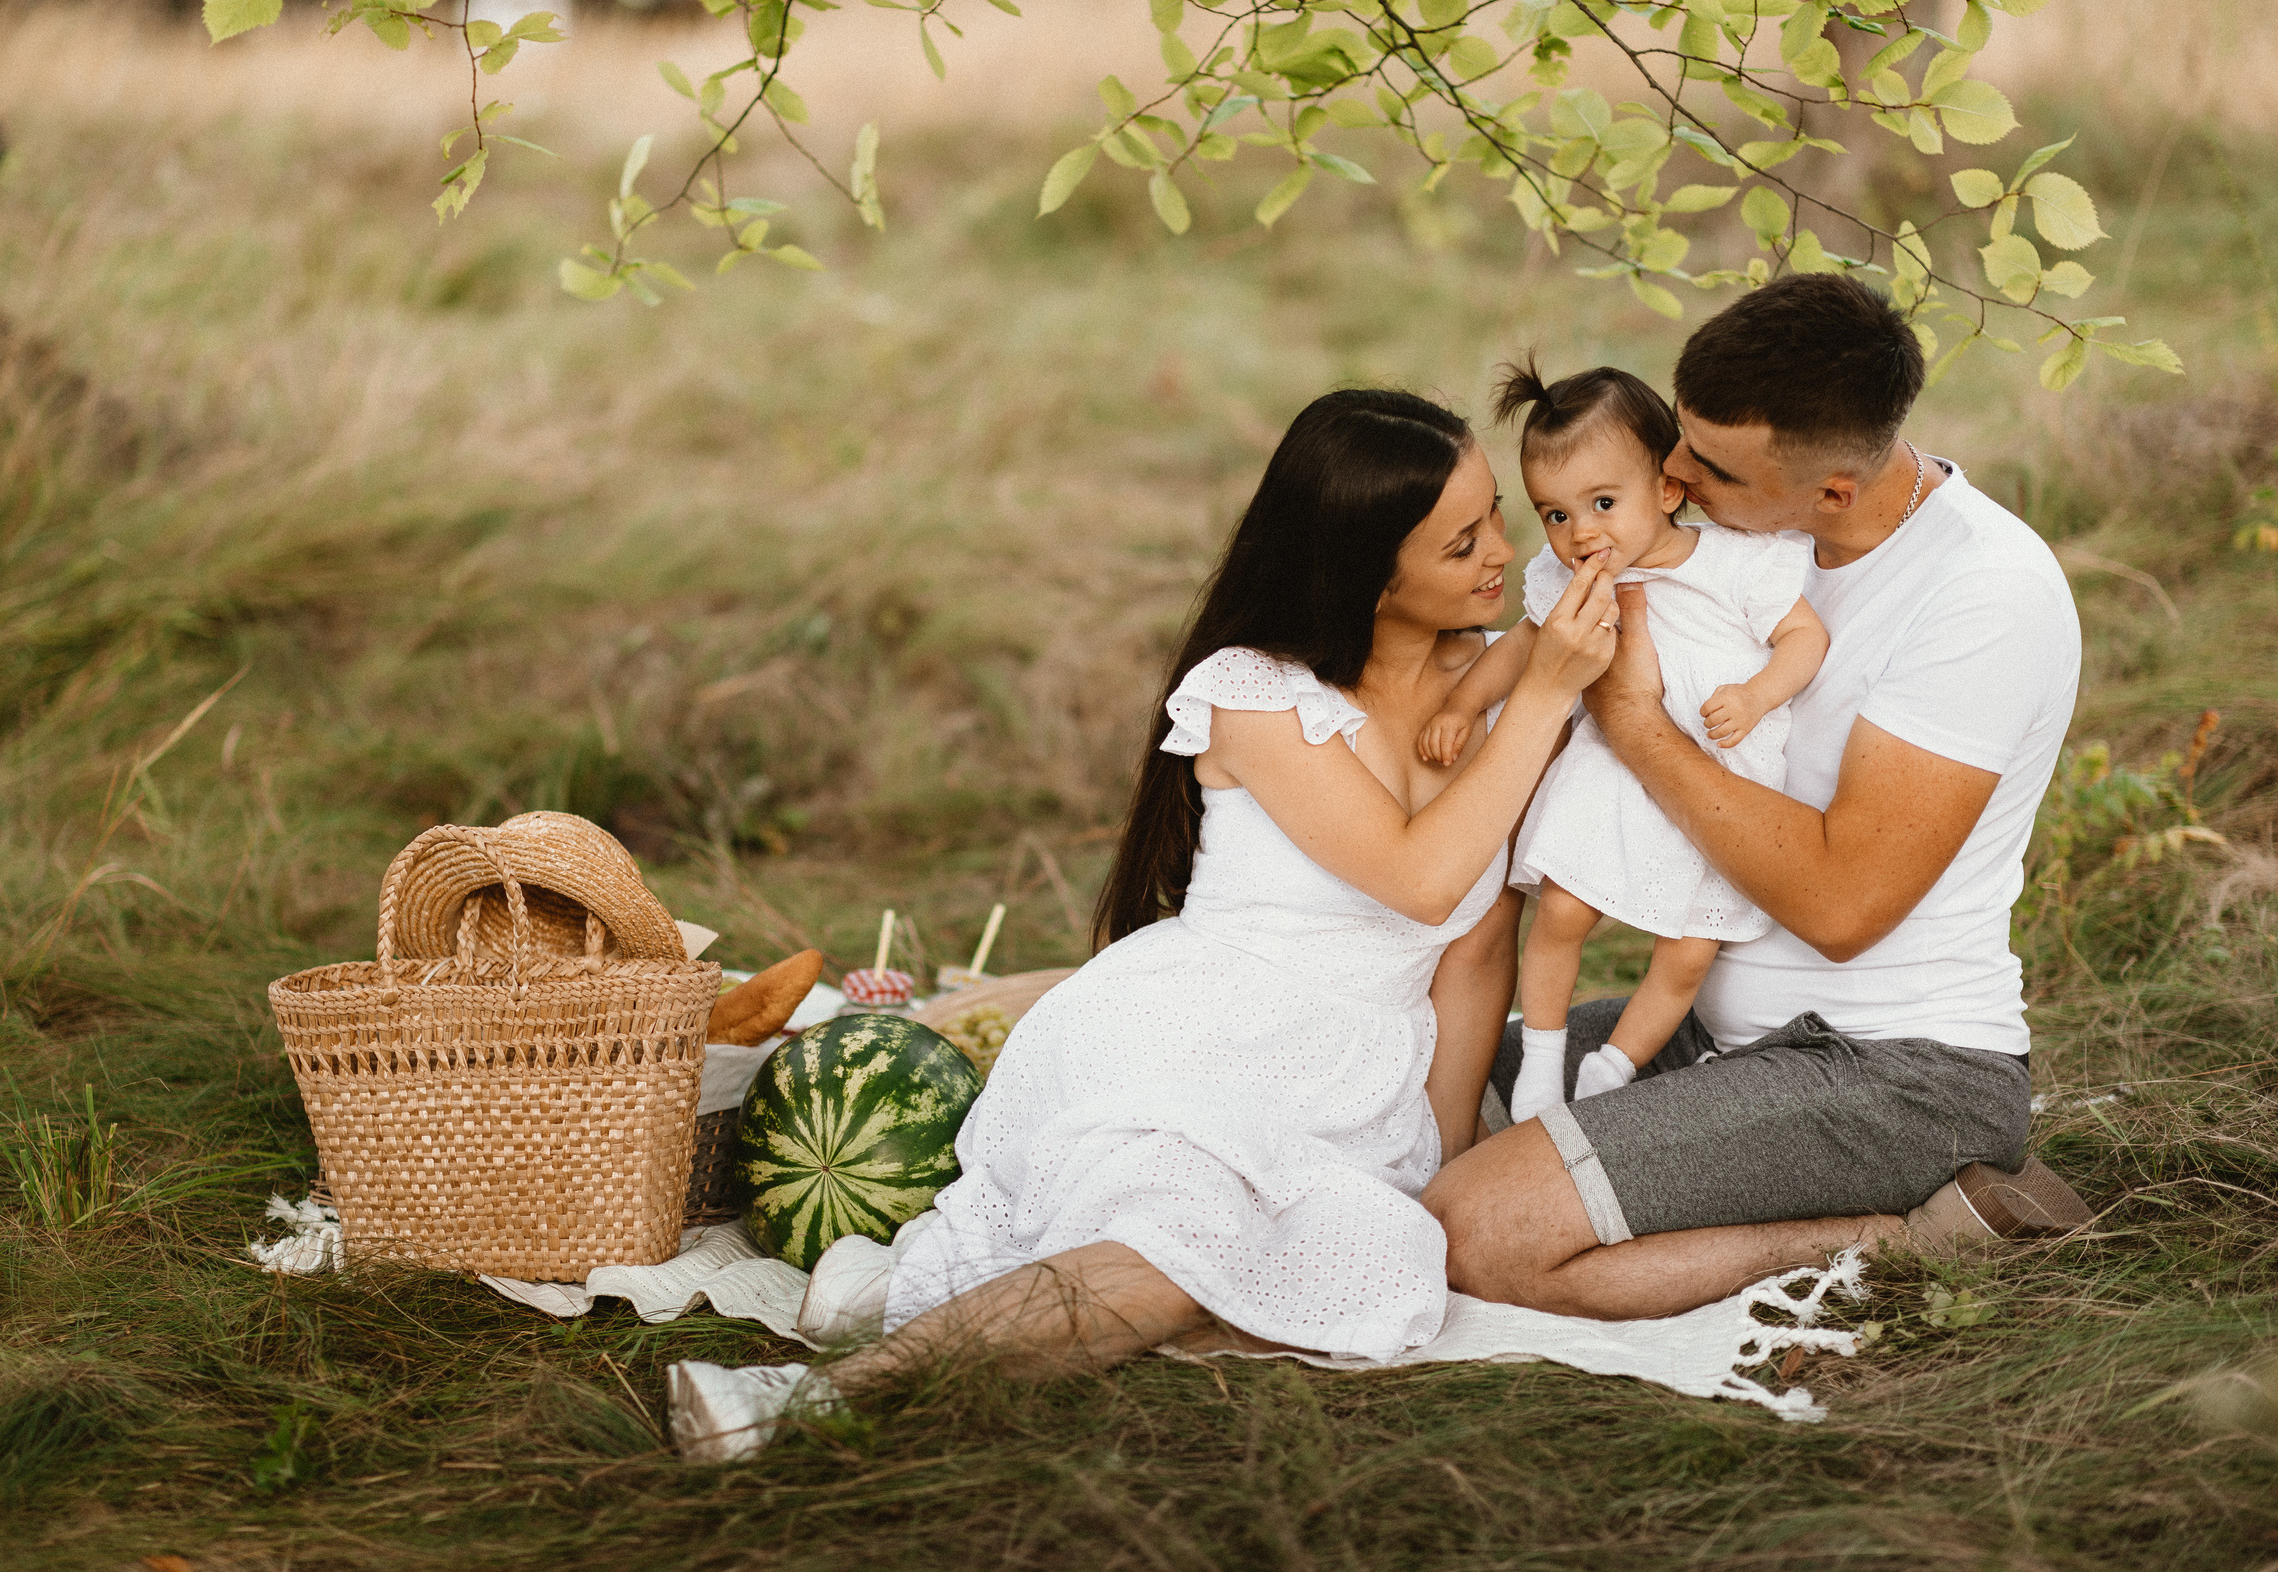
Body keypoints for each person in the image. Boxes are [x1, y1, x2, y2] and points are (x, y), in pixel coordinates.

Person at [668, 387, 1621, 1459]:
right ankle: (803, 1403)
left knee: (1347, 1260)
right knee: (1177, 1249)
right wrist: (1542, 700)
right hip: (1200, 1040)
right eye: (1462, 540)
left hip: (1356, 1081)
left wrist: (1443, 1151)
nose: (1501, 553)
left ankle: (926, 1293)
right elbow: (1416, 879)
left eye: (1495, 513)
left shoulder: (1485, 684)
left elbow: (1476, 939)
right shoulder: (1257, 694)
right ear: (1365, 568)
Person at [1422, 274, 2097, 1324]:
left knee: (1471, 1228)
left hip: (1895, 1067)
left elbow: (1841, 906)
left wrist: (1638, 726)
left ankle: (1904, 1231)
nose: (1672, 474)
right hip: (1708, 1031)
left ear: (1830, 488)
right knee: (1399, 1086)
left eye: (1709, 463)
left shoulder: (1982, 594)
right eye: (1676, 441)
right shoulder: (1732, 542)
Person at [1421, 362, 1828, 1122]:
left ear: (1668, 490)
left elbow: (1805, 638)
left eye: (1603, 503)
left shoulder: (1736, 564)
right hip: (1612, 763)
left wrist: (1756, 693)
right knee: (1564, 909)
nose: (1581, 534)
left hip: (1718, 772)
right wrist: (1463, 699)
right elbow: (1519, 644)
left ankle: (1614, 1065)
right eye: (1554, 514)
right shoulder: (1566, 577)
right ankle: (1542, 1060)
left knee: (1689, 948)